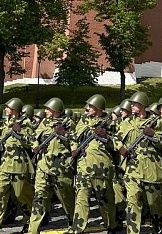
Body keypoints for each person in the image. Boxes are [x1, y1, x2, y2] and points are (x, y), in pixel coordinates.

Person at [116, 91, 162, 234]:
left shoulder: (156, 122)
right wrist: (121, 148)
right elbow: (117, 138)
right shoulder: (127, 122)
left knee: (154, 203)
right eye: (131, 103)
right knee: (133, 202)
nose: (131, 106)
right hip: (132, 169)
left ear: (143, 105)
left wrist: (153, 135)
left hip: (151, 169)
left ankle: (158, 225)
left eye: (135, 104)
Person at [69, 94, 117, 234]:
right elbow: (74, 137)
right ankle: (77, 228)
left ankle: (111, 225)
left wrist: (105, 137)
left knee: (105, 201)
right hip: (83, 166)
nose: (87, 108)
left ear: (99, 108)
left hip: (101, 168)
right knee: (81, 200)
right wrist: (73, 149)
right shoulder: (83, 121)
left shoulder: (109, 124)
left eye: (91, 106)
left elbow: (116, 145)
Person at [27, 97, 75, 234]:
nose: (46, 111)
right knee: (39, 197)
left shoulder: (68, 123)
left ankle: (73, 220)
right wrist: (35, 146)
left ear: (56, 110)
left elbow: (75, 143)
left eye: (48, 109)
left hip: (61, 167)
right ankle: (33, 229)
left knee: (66, 197)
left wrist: (64, 135)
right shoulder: (44, 122)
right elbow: (34, 137)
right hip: (43, 165)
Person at [0, 98, 34, 233]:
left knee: (22, 196)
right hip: (3, 165)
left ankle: (30, 221)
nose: (5, 109)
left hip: (18, 166)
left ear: (14, 110)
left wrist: (20, 134)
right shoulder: (4, 123)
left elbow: (31, 143)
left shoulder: (26, 123)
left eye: (7, 107)